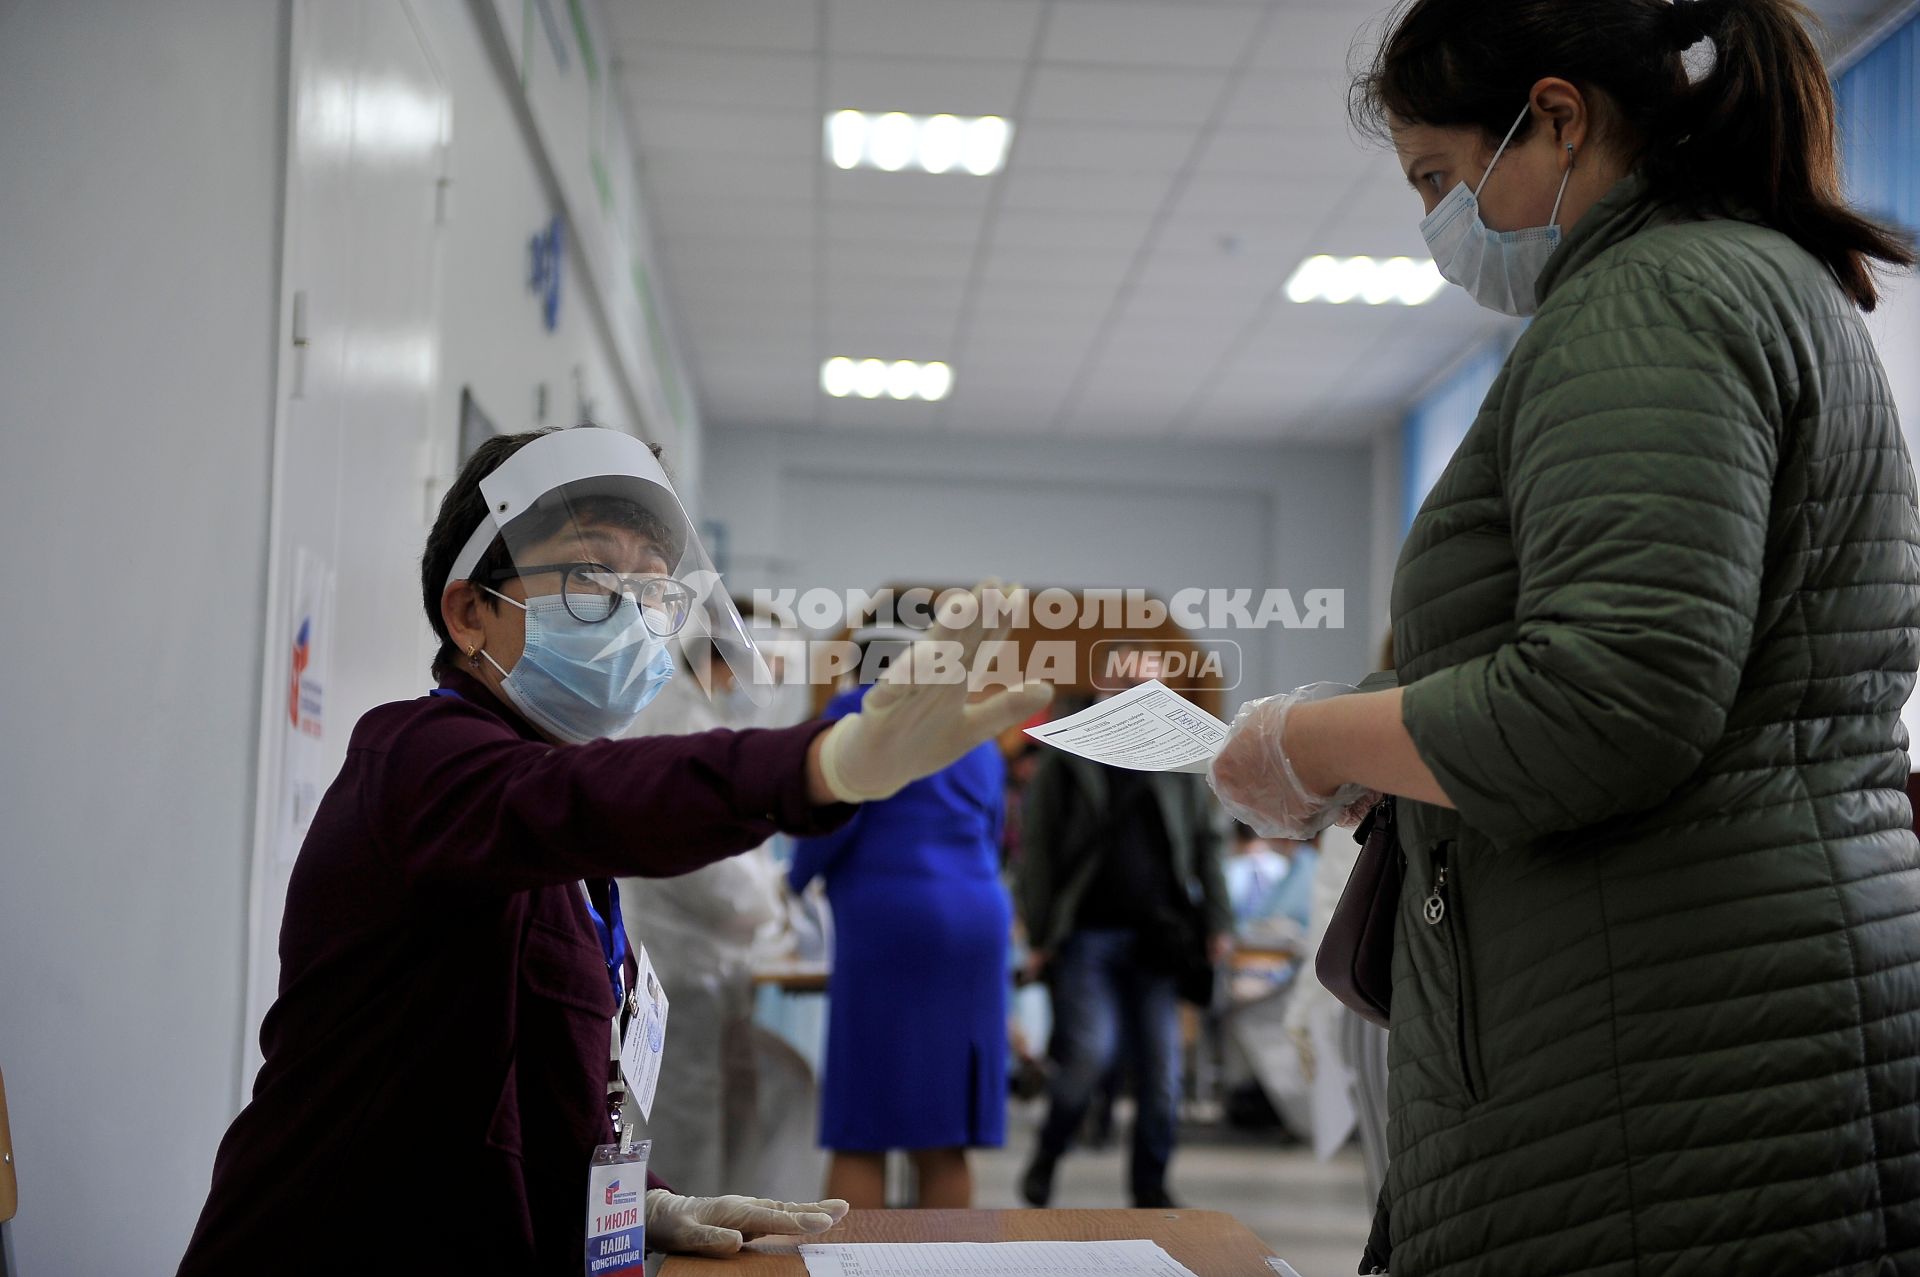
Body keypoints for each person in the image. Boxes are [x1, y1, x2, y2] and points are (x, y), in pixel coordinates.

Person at [1208, 1, 1920, 1271]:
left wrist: (1306, 738)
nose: (1435, 222)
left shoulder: (1650, 303)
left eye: (1438, 177)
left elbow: (1608, 700)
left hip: (1667, 1042)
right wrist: (1384, 735)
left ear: (1557, 118)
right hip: (1723, 1001)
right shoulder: (1749, 283)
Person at [179, 427, 1051, 1274]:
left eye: (658, 590)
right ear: (470, 610)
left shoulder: (559, 836)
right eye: (594, 573)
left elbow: (556, 1084)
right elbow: (592, 798)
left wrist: (643, 1199)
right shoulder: (418, 760)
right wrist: (825, 764)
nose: (635, 614)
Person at [786, 627, 1012, 1210]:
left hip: (893, 918)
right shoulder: (973, 729)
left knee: (865, 1124)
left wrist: (788, 884)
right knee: (944, 1130)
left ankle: (852, 1266)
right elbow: (990, 830)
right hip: (977, 916)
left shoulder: (855, 714)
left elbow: (828, 815)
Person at [1017, 666, 1232, 1210]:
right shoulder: (1066, 752)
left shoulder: (1179, 756)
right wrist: (1039, 933)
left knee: (1162, 1074)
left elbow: (1207, 841)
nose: (1142, 689)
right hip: (1086, 935)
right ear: (1104, 684)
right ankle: (1048, 1153)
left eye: (1152, 682)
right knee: (1089, 1057)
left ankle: (1150, 1187)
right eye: (1129, 678)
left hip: (1159, 937)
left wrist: (1219, 921)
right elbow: (1037, 847)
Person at [615, 630, 789, 1199]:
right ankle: (677, 1252)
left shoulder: (696, 720)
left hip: (704, 958)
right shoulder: (679, 724)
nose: (774, 686)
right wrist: (765, 906)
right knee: (681, 1118)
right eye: (772, 670)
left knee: (717, 1107)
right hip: (682, 959)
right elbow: (702, 861)